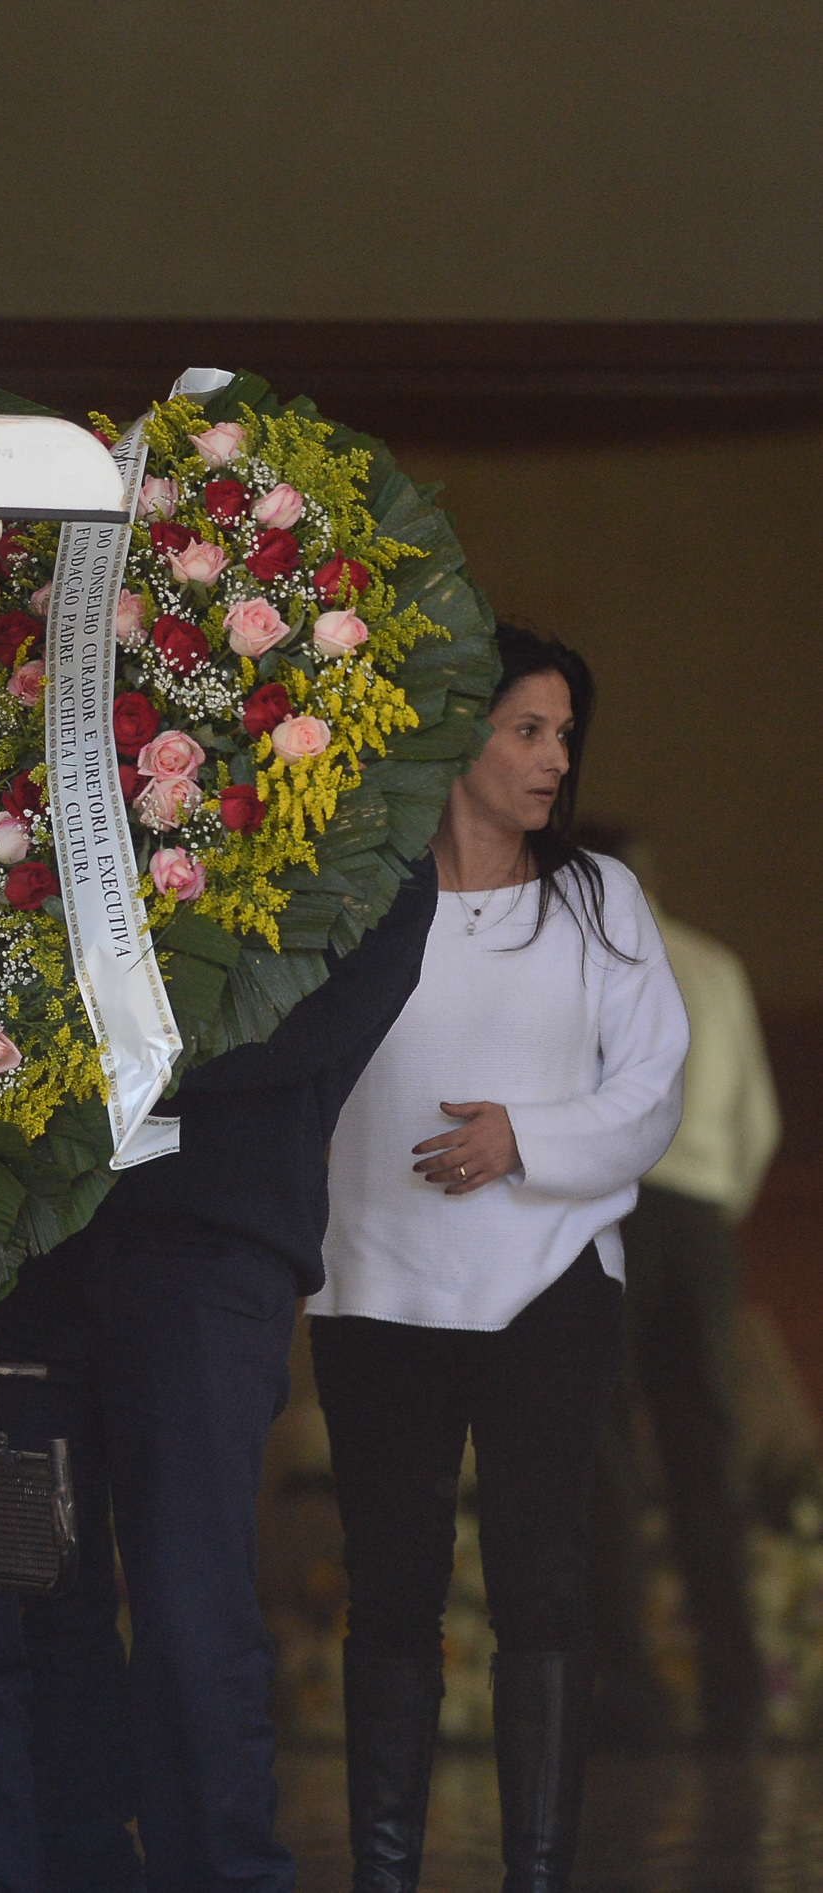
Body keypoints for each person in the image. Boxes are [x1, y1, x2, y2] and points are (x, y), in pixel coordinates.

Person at [0, 806, 442, 1888]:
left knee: (189, 1593)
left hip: (209, 1240)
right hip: (37, 1235)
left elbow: (317, 1022)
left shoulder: (370, 814)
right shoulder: (61, 779)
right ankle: (75, 1863)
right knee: (33, 1587)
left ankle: (219, 1871)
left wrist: (102, 1044)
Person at [308, 625, 688, 1893]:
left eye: (564, 736)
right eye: (527, 730)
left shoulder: (599, 903)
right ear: (459, 733)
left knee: (540, 1592)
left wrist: (522, 1136)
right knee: (393, 1596)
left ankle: (536, 1875)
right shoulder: (359, 891)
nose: (552, 758)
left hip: (550, 1285)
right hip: (372, 1283)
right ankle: (383, 1872)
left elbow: (651, 1095)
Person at [576, 824, 780, 1751]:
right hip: (698, 1221)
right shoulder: (716, 965)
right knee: (709, 1459)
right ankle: (738, 1691)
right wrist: (708, 1212)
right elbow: (757, 1125)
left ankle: (627, 1691)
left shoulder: (573, 966)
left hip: (609, 1213)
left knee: (606, 1452)